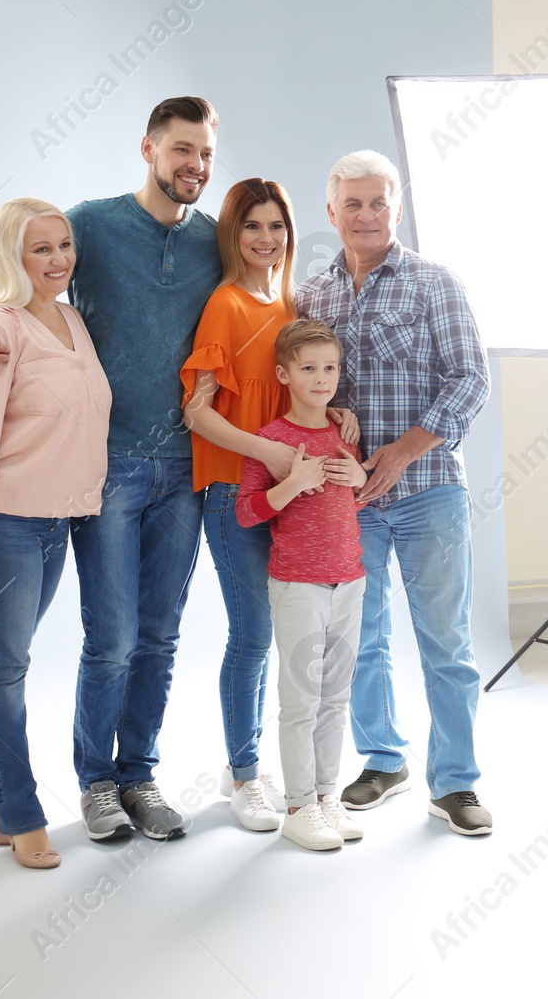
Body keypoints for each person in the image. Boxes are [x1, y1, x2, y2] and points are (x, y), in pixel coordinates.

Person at [0, 97, 228, 840]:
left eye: (204, 153)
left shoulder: (215, 241)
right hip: (104, 472)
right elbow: (7, 279)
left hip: (187, 469)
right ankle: (95, 781)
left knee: (161, 636)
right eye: (181, 151)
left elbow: (257, 301)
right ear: (148, 149)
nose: (194, 166)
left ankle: (138, 774)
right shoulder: (93, 226)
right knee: (111, 637)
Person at [295, 150, 494, 835]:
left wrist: (402, 452)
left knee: (447, 641)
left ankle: (457, 782)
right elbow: (304, 389)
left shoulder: (436, 283)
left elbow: (470, 378)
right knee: (359, 639)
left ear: (397, 208)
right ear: (332, 213)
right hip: (348, 501)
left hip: (429, 492)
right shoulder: (313, 295)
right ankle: (382, 758)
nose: (368, 215)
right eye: (353, 203)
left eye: (379, 202)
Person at [180, 179, 359, 833]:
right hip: (236, 488)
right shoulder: (226, 304)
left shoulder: (287, 305)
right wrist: (272, 452)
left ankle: (292, 780)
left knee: (291, 643)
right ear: (233, 235)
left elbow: (299, 390)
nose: (266, 239)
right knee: (251, 634)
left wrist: (327, 414)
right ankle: (246, 774)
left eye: (275, 226)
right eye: (251, 226)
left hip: (293, 503)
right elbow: (197, 411)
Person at [0, 198, 111, 870]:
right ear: (12, 256)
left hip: (54, 524)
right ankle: (19, 811)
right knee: (6, 670)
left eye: (64, 245)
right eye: (41, 249)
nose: (58, 260)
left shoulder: (71, 320)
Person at [234, 319, 368, 851]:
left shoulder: (344, 433)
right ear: (283, 374)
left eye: (330, 368)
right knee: (301, 700)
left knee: (335, 698)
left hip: (350, 580)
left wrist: (360, 482)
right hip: (297, 587)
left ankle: (327, 795)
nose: (321, 379)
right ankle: (297, 806)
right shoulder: (271, 440)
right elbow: (246, 512)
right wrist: (291, 484)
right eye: (308, 368)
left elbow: (348, 503)